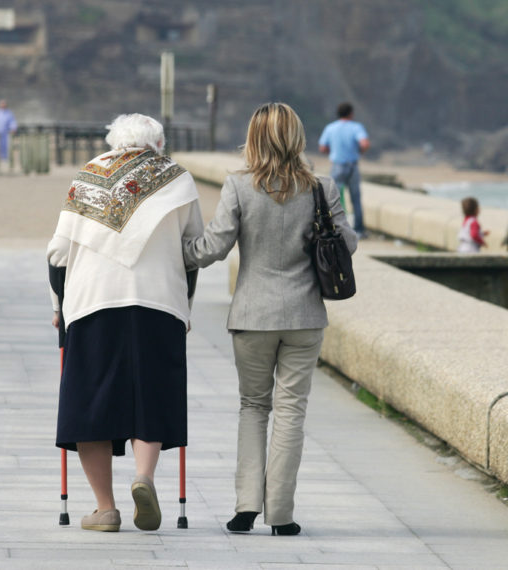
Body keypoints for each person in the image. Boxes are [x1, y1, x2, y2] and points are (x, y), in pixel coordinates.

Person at [183, 102, 358, 536]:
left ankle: (245, 507)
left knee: (253, 407)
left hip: (252, 316)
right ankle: (281, 514)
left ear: (254, 138)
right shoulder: (322, 187)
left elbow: (211, 249)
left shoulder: (239, 186)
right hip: (304, 316)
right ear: (297, 137)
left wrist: (173, 252)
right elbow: (347, 244)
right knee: (291, 412)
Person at [46, 113, 203, 533]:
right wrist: (185, 306)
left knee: (91, 403)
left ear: (115, 144)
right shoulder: (178, 179)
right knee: (150, 395)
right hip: (159, 302)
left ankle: (105, 509)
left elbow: (58, 253)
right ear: (158, 143)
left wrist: (59, 306)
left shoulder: (88, 177)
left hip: (93, 301)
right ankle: (143, 477)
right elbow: (191, 252)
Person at [318, 102, 370, 237]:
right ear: (351, 114)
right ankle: (359, 230)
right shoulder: (356, 127)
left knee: (332, 198)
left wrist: (333, 150)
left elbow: (322, 147)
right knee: (355, 198)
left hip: (337, 166)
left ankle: (333, 227)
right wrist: (359, 151)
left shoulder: (330, 128)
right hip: (352, 166)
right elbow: (364, 143)